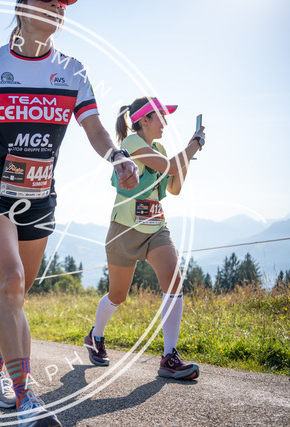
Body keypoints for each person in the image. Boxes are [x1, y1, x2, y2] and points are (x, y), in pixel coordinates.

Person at [0, 1, 139, 425]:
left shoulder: (73, 70)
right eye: (46, 1)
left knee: (15, 294)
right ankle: (26, 399)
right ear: (22, 8)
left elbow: (94, 127)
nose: (55, 9)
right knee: (10, 280)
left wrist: (117, 155)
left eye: (60, 5)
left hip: (39, 195)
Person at [85, 96, 205, 380]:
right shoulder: (130, 144)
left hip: (156, 228)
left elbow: (174, 187)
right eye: (160, 117)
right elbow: (170, 166)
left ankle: (169, 357)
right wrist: (195, 144)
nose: (165, 123)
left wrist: (186, 159)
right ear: (144, 120)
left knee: (173, 281)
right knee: (118, 295)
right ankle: (95, 336)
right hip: (124, 229)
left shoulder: (160, 149)